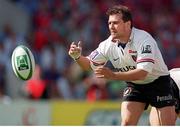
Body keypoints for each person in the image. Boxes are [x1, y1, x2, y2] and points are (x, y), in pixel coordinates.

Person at [68, 5, 179, 125]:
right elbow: (88, 65)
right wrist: (77, 57)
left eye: (115, 23)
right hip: (135, 85)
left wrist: (113, 75)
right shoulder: (107, 45)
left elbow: (142, 73)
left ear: (127, 24)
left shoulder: (144, 40)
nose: (111, 26)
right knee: (126, 123)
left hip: (158, 82)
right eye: (110, 23)